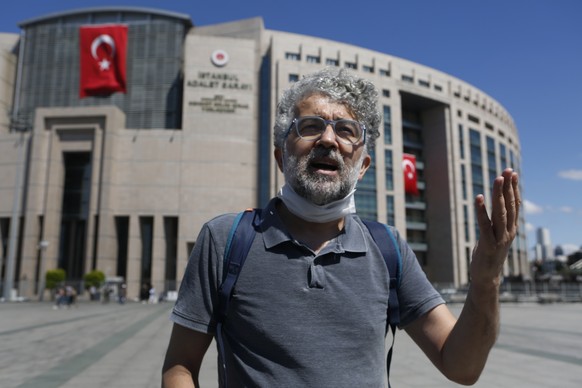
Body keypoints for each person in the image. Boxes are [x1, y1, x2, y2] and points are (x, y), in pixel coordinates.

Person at [162, 67, 521, 387]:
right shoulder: (226, 239)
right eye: (311, 126)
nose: (328, 140)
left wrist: (487, 278)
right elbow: (181, 364)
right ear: (280, 156)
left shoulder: (389, 247)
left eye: (346, 130)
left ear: (362, 166)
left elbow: (462, 367)